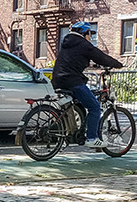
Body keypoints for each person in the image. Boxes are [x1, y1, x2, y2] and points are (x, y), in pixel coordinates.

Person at [52, 21, 123, 149]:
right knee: (94, 107)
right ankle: (91, 138)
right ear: (84, 33)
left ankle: (74, 132)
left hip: (58, 79)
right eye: (90, 34)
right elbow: (99, 56)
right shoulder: (83, 44)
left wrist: (92, 65)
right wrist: (117, 64)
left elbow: (75, 59)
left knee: (79, 103)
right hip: (72, 81)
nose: (90, 37)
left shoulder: (67, 43)